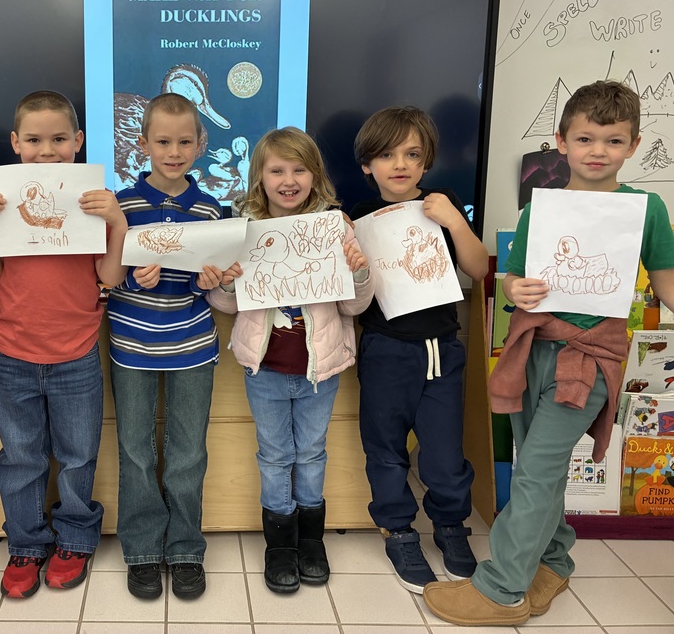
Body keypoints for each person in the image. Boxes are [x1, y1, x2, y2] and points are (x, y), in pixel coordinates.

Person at [423, 80, 674, 625]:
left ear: (632, 146)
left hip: (590, 360)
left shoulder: (647, 209)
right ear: (561, 141)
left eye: (613, 140)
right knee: (540, 467)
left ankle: (501, 590)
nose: (598, 151)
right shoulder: (544, 208)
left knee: (536, 473)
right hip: (533, 350)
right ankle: (554, 563)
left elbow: (667, 283)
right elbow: (513, 278)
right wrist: (513, 290)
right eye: (585, 138)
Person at [0, 90, 128, 598]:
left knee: (79, 454)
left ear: (78, 142)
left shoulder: (92, 203)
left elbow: (109, 275)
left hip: (76, 352)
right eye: (34, 140)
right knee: (20, 456)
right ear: (16, 144)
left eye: (60, 139)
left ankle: (77, 538)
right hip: (12, 352)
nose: (47, 150)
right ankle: (26, 543)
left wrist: (118, 223)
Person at [207, 127, 374, 594]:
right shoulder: (244, 231)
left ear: (315, 174)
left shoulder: (335, 226)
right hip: (266, 370)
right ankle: (279, 543)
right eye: (276, 169)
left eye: (299, 169)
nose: (288, 179)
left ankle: (311, 540)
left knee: (313, 453)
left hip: (321, 370)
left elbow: (354, 308)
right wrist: (227, 281)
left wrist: (359, 273)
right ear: (259, 176)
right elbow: (227, 305)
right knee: (275, 455)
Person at [106, 93, 241, 600]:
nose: (174, 150)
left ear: (201, 144)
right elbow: (105, 281)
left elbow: (214, 286)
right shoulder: (120, 206)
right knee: (136, 451)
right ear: (143, 144)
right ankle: (142, 549)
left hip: (193, 346)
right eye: (162, 141)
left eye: (185, 141)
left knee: (187, 453)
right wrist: (132, 279)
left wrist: (211, 281)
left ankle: (185, 547)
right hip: (132, 346)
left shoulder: (212, 210)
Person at [349, 106, 490, 592]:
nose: (400, 164)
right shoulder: (355, 219)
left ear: (427, 161)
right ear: (367, 165)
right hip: (386, 350)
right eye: (386, 155)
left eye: (412, 153)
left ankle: (451, 525)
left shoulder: (441, 204)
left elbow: (478, 269)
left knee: (445, 454)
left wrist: (454, 221)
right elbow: (351, 297)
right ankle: (399, 530)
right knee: (385, 449)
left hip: (442, 350)